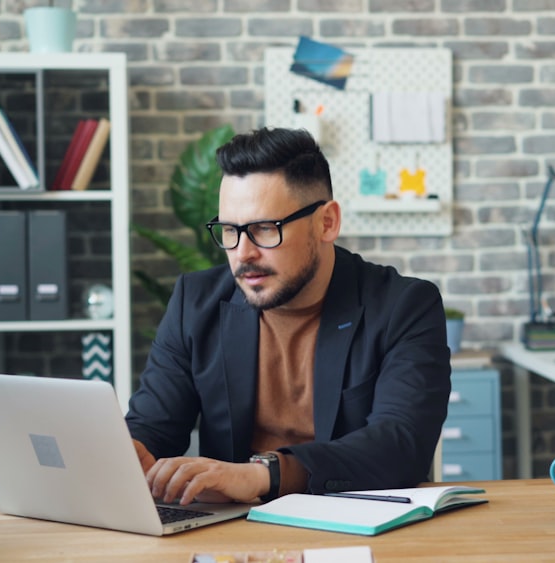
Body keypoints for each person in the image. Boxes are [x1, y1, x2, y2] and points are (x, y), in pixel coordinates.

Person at [125, 127, 451, 506]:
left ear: (326, 223)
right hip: (233, 530)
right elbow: (154, 426)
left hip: (358, 522)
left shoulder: (403, 306)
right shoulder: (194, 302)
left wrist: (263, 475)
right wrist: (131, 452)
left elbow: (401, 443)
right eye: (230, 230)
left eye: (265, 229)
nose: (242, 253)